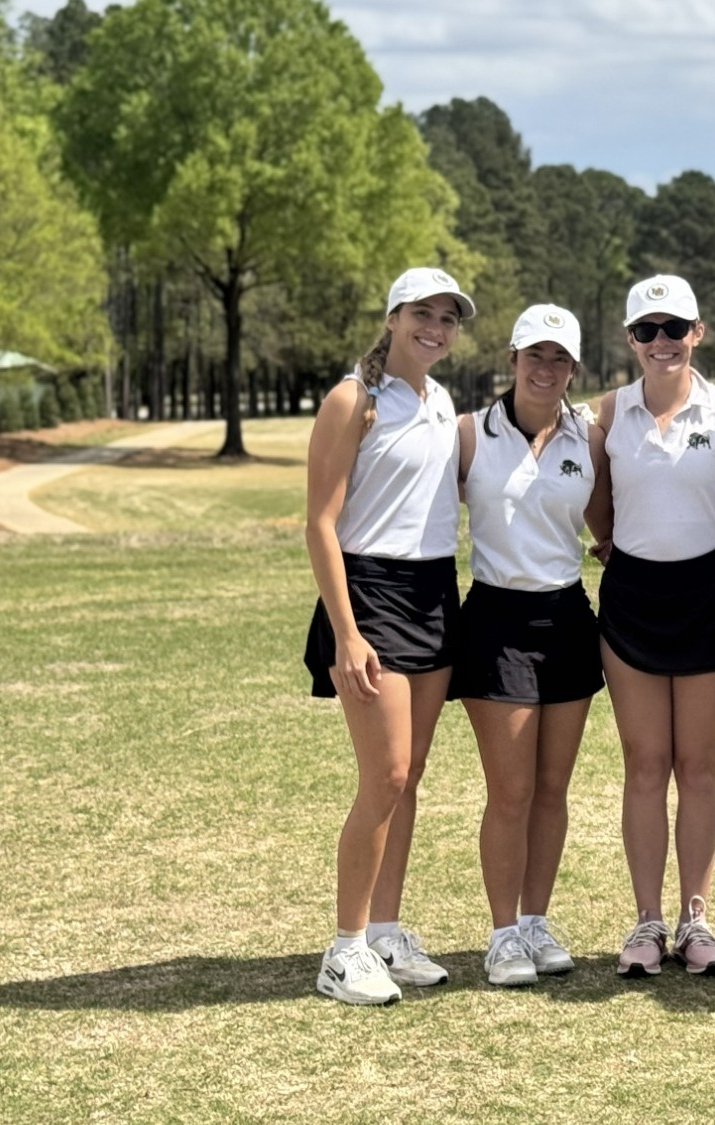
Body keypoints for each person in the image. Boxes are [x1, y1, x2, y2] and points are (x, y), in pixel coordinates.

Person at [303, 267, 470, 1005]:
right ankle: (343, 949)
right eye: (422, 313)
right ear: (394, 316)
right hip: (368, 596)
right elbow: (319, 523)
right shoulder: (353, 397)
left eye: (448, 316)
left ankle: (385, 934)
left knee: (413, 776)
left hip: (435, 591)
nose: (435, 326)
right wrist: (346, 631)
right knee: (388, 775)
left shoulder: (441, 401)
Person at [590, 275, 715, 977]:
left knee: (700, 764)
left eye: (674, 328)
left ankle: (696, 916)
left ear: (697, 333)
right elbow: (598, 506)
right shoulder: (604, 414)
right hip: (631, 596)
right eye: (647, 331)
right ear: (630, 340)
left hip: (710, 592)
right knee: (646, 764)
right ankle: (648, 920)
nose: (662, 343)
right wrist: (616, 545)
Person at [453, 304, 610, 987]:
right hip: (495, 616)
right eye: (534, 356)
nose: (545, 370)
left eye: (559, 359)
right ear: (512, 360)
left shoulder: (590, 439)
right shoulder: (468, 434)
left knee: (552, 788)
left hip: (567, 615)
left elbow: (605, 529)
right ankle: (502, 933)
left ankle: (537, 920)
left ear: (574, 369)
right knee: (510, 790)